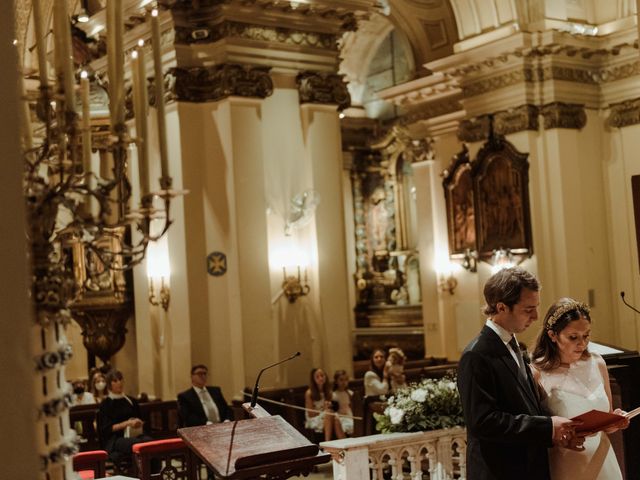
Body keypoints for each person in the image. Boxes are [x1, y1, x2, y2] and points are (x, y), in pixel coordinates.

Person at [457, 267, 581, 479]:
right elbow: (483, 422)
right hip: (500, 471)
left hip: (529, 467)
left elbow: (526, 406)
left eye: (537, 307)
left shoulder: (515, 346)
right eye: (528, 309)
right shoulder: (476, 355)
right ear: (502, 308)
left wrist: (557, 432)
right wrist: (547, 427)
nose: (536, 316)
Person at [532, 298, 629, 479]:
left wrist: (616, 421)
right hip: (567, 464)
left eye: (586, 336)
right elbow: (537, 430)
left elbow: (606, 422)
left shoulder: (597, 362)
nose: (582, 344)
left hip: (603, 459)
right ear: (553, 335)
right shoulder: (537, 372)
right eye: (573, 337)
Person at [97, 370, 151, 466]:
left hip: (135, 434)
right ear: (109, 384)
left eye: (121, 380)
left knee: (150, 442)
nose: (119, 383)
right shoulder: (106, 404)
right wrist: (128, 423)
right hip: (115, 439)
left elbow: (140, 419)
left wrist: (138, 422)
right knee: (137, 444)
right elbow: (107, 429)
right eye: (115, 381)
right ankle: (140, 473)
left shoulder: (131, 400)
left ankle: (153, 474)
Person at [304, 368, 336, 442]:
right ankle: (327, 443)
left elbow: (331, 408)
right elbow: (310, 414)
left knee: (336, 419)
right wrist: (324, 410)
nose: (320, 378)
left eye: (322, 375)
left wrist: (329, 406)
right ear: (313, 379)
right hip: (314, 418)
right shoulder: (309, 393)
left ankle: (343, 445)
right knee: (329, 414)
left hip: (326, 415)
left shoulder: (329, 391)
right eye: (317, 377)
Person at [332, 370, 353, 437]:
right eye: (341, 380)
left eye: (346, 380)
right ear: (336, 381)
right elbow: (334, 409)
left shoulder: (350, 393)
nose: (344, 382)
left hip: (350, 415)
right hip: (340, 417)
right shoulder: (334, 395)